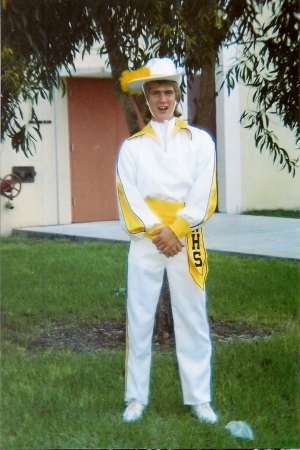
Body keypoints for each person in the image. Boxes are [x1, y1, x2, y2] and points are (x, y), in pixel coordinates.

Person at [116, 57, 218, 423]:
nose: (162, 99)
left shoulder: (199, 141)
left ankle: (199, 398)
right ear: (146, 97)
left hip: (185, 238)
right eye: (155, 92)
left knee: (192, 315)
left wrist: (177, 230)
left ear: (177, 96)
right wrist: (158, 231)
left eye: (168, 92)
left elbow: (205, 192)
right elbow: (129, 195)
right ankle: (136, 398)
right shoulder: (132, 147)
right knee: (139, 316)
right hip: (147, 240)